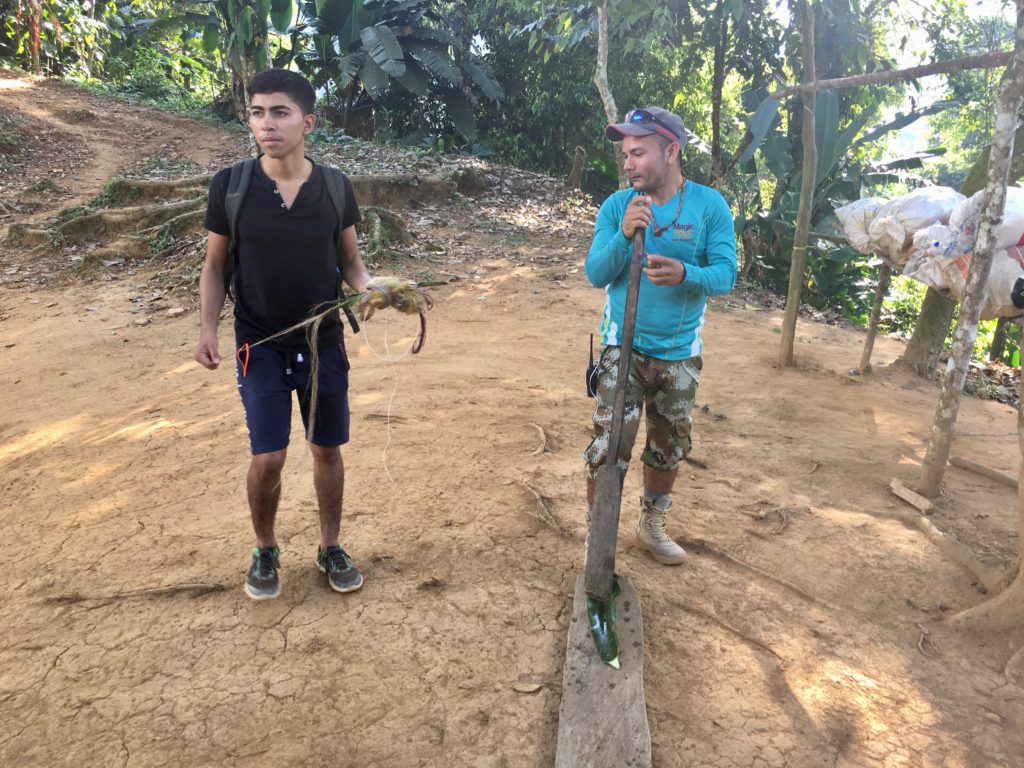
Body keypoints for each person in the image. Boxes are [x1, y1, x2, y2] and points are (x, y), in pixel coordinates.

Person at [194, 68, 371, 599]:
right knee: (268, 455)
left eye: (279, 112)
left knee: (326, 450)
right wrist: (208, 329)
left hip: (323, 343)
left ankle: (330, 545)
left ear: (307, 121)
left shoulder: (336, 187)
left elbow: (352, 265)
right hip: (260, 344)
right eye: (257, 112)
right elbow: (214, 266)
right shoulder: (232, 186)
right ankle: (265, 548)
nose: (266, 124)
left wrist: (380, 288)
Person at [584, 106, 737, 565]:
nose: (627, 163)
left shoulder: (709, 207)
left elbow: (726, 274)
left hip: (679, 356)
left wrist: (687, 273)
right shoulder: (616, 207)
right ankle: (600, 531)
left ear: (671, 150)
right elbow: (596, 272)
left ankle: (651, 522)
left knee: (668, 445)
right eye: (625, 153)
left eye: (638, 152)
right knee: (608, 444)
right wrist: (624, 233)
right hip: (621, 349)